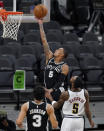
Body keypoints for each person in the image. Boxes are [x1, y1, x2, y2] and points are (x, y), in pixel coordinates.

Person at [38, 19, 69, 127]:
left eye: (58, 50)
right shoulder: (49, 58)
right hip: (48, 90)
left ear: (62, 55)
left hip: (57, 91)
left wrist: (51, 90)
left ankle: (60, 127)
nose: (56, 50)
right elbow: (44, 40)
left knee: (56, 112)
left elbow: (61, 81)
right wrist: (40, 25)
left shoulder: (64, 66)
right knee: (48, 113)